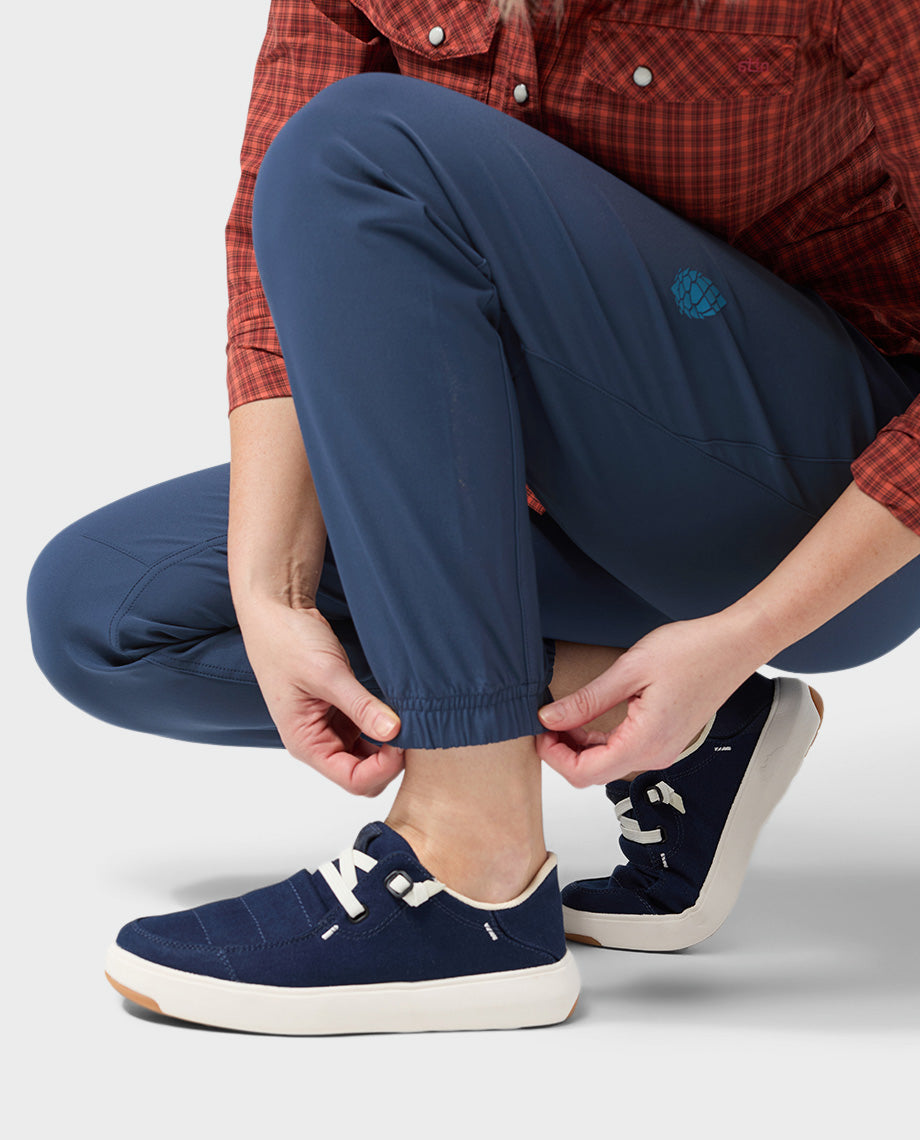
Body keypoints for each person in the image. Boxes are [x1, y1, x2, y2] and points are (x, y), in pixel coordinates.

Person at [26, 0, 920, 1035]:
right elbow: (277, 270)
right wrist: (272, 595)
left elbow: (346, 175)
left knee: (359, 148)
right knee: (108, 614)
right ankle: (697, 736)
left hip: (815, 515)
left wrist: (743, 636)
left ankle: (471, 870)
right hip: (533, 479)